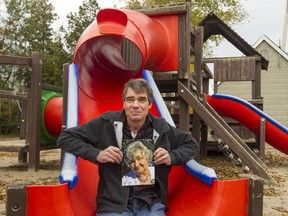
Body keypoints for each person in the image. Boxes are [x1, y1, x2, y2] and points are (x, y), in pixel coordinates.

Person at [57, 78, 199, 216]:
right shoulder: (107, 123)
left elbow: (192, 145)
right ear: (124, 103)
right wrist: (97, 154)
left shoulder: (161, 127)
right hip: (114, 204)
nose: (135, 105)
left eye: (142, 99)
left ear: (150, 105)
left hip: (149, 203)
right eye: (130, 99)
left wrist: (171, 157)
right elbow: (65, 138)